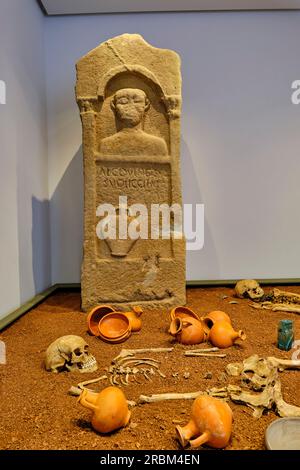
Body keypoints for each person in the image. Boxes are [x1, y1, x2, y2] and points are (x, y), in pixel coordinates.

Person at [100, 88, 168, 156]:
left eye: (137, 101)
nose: (130, 106)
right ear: (113, 105)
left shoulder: (157, 145)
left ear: (146, 105)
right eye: (123, 101)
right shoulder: (105, 145)